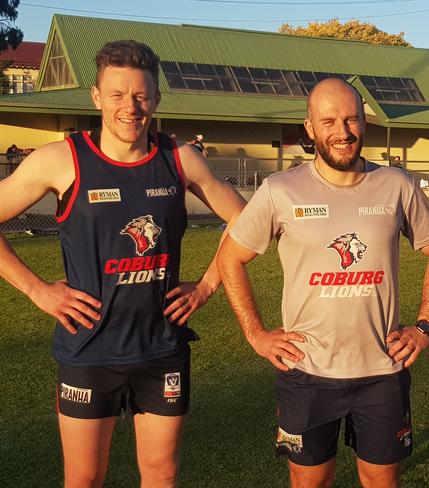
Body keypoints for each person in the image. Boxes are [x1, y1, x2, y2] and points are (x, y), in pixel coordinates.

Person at [0, 40, 245, 487]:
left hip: (162, 348)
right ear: (96, 97)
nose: (129, 107)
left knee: (160, 474)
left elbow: (247, 223)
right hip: (89, 350)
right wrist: (37, 288)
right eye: (117, 95)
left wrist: (208, 285)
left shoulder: (180, 158)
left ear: (155, 98)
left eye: (140, 96)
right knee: (84, 478)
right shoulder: (61, 160)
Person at [217, 78, 429, 488]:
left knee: (381, 482)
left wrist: (424, 325)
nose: (342, 133)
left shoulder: (398, 185)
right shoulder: (280, 190)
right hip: (307, 372)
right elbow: (230, 258)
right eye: (328, 121)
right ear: (309, 127)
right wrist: (255, 333)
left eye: (351, 120)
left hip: (382, 371)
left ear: (364, 122)